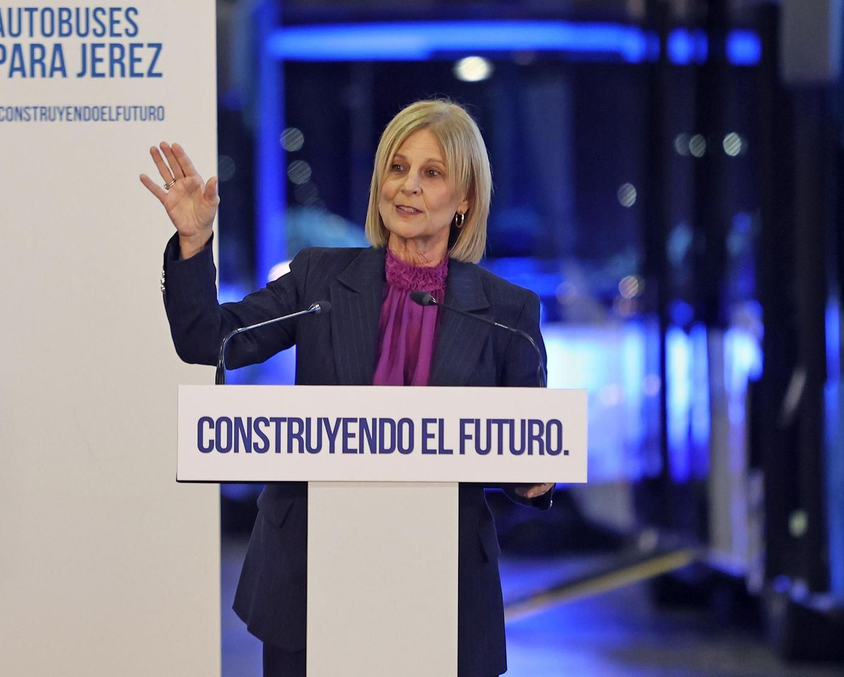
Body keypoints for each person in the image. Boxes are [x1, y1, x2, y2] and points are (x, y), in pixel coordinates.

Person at [143, 98, 553, 677]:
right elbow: (210, 340)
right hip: (310, 571)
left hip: (442, 582)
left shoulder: (508, 312)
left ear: (465, 199)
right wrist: (193, 243)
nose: (407, 187)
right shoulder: (318, 277)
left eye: (431, 173)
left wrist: (535, 479)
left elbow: (525, 458)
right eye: (397, 167)